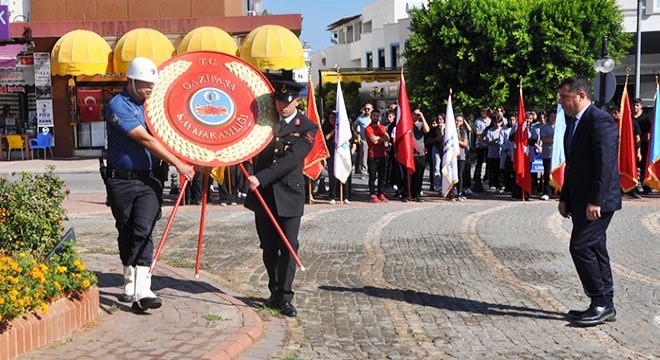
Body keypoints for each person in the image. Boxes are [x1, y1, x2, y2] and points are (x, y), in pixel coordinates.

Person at [105, 57, 195, 312]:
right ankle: (129, 281)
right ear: (131, 80)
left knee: (144, 229)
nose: (149, 89)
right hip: (121, 181)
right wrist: (179, 163)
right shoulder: (117, 106)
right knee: (126, 230)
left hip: (150, 180)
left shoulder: (154, 107)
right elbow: (144, 139)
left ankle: (143, 288)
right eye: (145, 84)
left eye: (152, 85)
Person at [244, 78, 316, 318]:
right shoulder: (264, 123)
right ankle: (274, 290)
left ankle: (285, 296)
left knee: (288, 246)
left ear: (297, 101)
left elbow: (290, 160)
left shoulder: (306, 127)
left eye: (287, 101)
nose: (282, 106)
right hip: (263, 196)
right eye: (278, 101)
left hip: (288, 194)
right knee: (268, 246)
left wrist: (260, 177)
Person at [557, 76, 621, 327]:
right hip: (581, 200)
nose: (561, 102)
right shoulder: (573, 122)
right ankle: (606, 303)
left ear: (581, 95)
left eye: (565, 97)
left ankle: (600, 302)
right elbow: (573, 166)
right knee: (595, 247)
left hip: (598, 201)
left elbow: (605, 165)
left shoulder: (599, 120)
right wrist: (565, 197)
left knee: (580, 247)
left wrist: (597, 201)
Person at [365, 108, 390, 202]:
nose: (375, 117)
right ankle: (372, 193)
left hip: (382, 154)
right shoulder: (368, 128)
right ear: (371, 117)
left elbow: (387, 138)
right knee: (372, 176)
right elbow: (373, 140)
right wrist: (381, 138)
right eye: (374, 115)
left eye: (377, 116)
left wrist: (378, 138)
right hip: (372, 155)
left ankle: (381, 193)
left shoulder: (382, 127)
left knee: (382, 176)